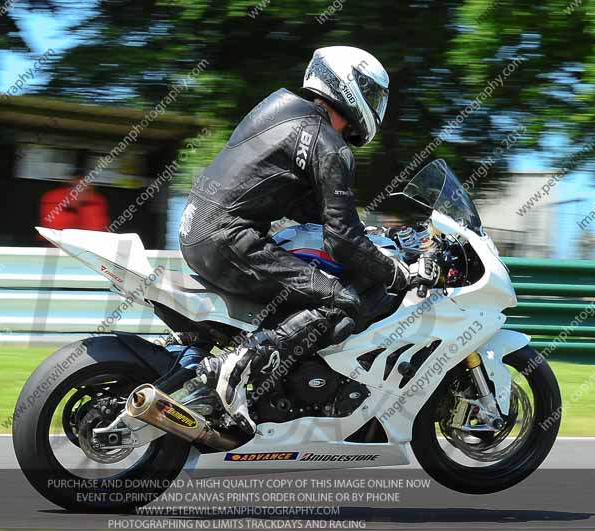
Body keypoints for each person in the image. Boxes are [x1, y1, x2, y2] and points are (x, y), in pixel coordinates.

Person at [178, 46, 439, 433]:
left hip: (196, 231)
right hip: (228, 240)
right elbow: (342, 242)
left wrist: (378, 236)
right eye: (371, 91)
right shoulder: (329, 146)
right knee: (341, 299)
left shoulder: (279, 108)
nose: (374, 103)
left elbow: (308, 208)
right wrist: (398, 272)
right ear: (347, 85)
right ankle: (237, 366)